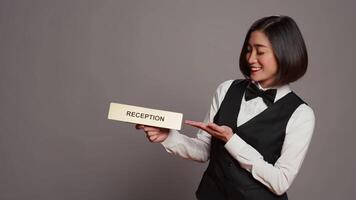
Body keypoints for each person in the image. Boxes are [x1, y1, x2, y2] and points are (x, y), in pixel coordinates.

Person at [135, 15, 315, 200]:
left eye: (260, 52)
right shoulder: (227, 89)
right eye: (248, 50)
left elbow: (280, 182)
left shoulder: (301, 114)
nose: (251, 58)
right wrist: (169, 137)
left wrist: (232, 140)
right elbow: (204, 150)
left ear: (284, 53)